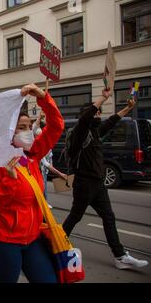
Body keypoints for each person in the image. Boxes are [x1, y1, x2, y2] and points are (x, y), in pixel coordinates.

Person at [0, 83, 64, 283]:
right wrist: (9, 183)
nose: (29, 132)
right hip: (3, 242)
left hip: (33, 239)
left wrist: (43, 97)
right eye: (22, 128)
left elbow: (56, 127)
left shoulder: (33, 155)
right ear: (9, 132)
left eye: (29, 127)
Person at [62, 89, 148, 270]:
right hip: (84, 184)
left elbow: (111, 122)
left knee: (109, 218)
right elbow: (86, 118)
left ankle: (120, 256)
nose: (99, 115)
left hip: (98, 185)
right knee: (75, 216)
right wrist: (103, 98)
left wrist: (126, 108)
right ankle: (55, 242)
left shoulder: (95, 132)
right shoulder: (80, 134)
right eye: (97, 112)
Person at [32, 112, 67, 209]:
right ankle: (41, 204)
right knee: (40, 186)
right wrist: (60, 174)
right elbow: (45, 163)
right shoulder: (36, 145)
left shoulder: (47, 144)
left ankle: (43, 202)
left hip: (42, 170)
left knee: (44, 185)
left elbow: (48, 161)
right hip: (36, 170)